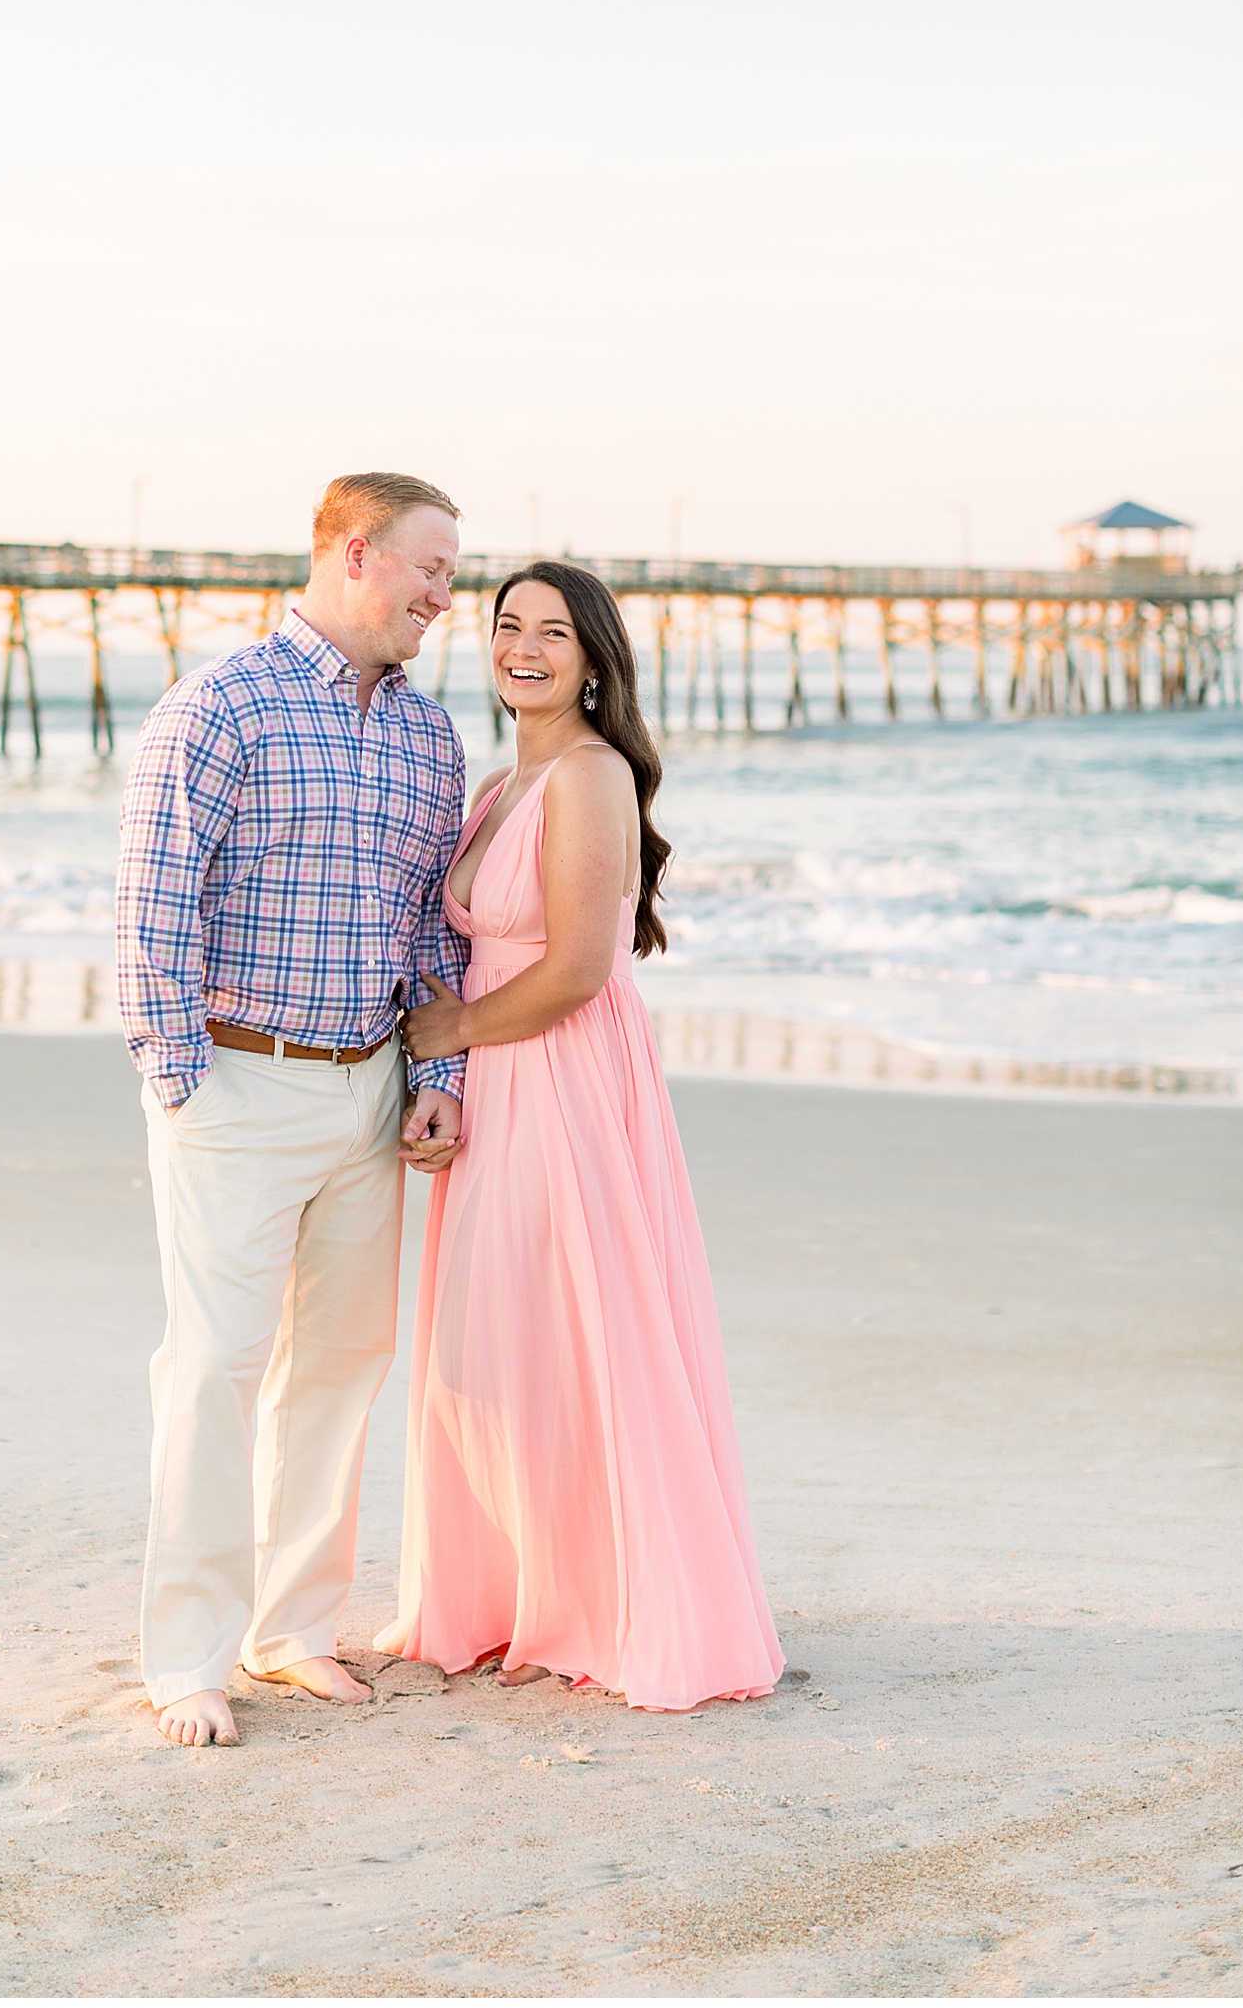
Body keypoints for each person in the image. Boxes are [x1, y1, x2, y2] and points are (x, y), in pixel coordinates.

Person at [382, 560, 783, 1711]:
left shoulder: (592, 775)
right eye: (507, 625)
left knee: (580, 1322)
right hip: (499, 1075)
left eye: (554, 632)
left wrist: (446, 1028)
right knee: (509, 1333)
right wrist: (444, 1067)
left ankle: (613, 1601)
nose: (525, 647)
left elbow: (574, 969)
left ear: (596, 658)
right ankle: (519, 1591)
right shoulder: (507, 777)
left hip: (558, 1071)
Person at [116, 472, 469, 1749]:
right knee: (215, 1367)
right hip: (236, 1081)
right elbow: (153, 904)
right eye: (432, 569)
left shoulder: (431, 737)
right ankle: (187, 1659)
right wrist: (182, 1081)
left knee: (339, 1364)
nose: (447, 597)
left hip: (370, 1087)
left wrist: (437, 1078)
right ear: (358, 552)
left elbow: (432, 926)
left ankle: (292, 1628)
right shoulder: (219, 704)